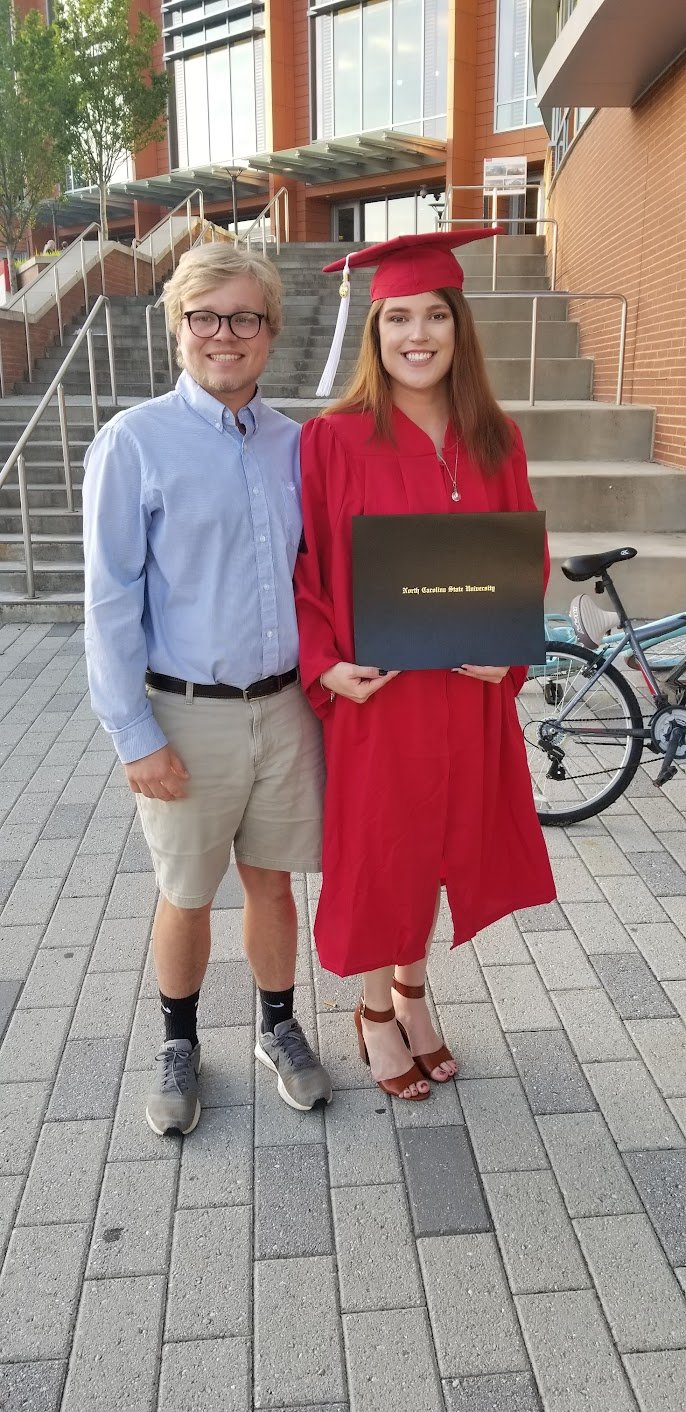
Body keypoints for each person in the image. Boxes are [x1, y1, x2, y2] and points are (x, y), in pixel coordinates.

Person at [294, 231, 556, 1102]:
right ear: (374, 331)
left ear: (459, 327)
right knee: (385, 853)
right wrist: (324, 664)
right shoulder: (333, 441)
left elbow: (527, 556)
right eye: (398, 316)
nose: (417, 333)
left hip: (471, 693)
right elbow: (307, 571)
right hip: (385, 696)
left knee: (446, 843)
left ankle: (413, 993)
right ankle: (374, 1010)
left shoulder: (495, 437)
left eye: (435, 315)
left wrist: (511, 653)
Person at [83, 242, 331, 1136]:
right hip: (185, 717)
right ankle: (178, 1042)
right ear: (178, 329)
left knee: (272, 883)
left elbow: (325, 576)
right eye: (205, 318)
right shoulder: (134, 442)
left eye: (244, 318)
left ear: (269, 332)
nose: (225, 335)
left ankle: (277, 1025)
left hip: (286, 709)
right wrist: (133, 734)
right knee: (186, 891)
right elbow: (109, 599)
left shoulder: (296, 444)